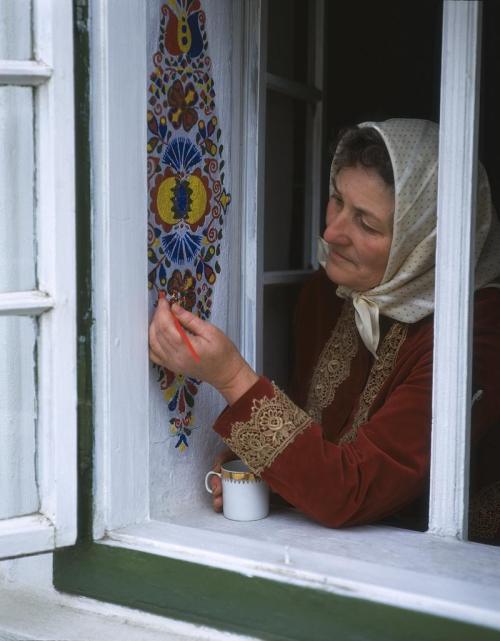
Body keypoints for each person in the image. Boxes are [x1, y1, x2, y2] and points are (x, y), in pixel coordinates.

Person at [149, 118, 500, 543]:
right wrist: (268, 467)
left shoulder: (477, 336)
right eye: (337, 200)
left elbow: (350, 489)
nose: (331, 232)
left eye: (366, 224)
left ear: (428, 241)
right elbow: (315, 438)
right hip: (326, 547)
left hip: (434, 570)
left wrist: (231, 377)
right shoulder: (328, 292)